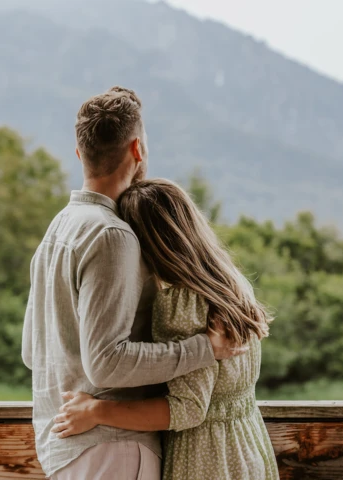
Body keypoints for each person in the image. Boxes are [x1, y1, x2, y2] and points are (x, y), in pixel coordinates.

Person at [21, 86, 246, 480]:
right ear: (138, 149)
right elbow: (106, 363)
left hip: (61, 447)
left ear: (80, 155)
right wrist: (205, 349)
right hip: (111, 448)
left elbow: (30, 351)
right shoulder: (112, 235)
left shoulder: (58, 229)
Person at [51, 179, 280, 480]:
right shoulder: (233, 284)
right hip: (247, 449)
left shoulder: (183, 303)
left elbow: (188, 410)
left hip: (205, 462)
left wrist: (96, 411)